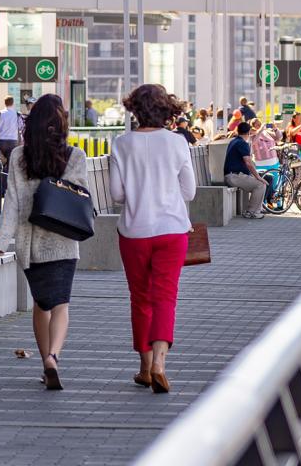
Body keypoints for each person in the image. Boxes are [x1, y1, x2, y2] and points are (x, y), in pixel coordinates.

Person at [0, 94, 87, 391]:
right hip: (63, 240)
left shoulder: (20, 156)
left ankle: (45, 360)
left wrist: (1, 241)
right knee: (61, 304)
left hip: (30, 246)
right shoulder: (75, 156)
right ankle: (54, 358)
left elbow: (13, 204)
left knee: (41, 304)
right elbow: (78, 195)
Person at [109, 84, 196, 394]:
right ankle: (160, 363)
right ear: (166, 110)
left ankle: (145, 368)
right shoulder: (177, 143)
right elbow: (189, 191)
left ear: (135, 110)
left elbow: (117, 194)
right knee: (165, 296)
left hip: (134, 231)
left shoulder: (121, 144)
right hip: (172, 230)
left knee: (140, 298)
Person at [223, 122, 266, 219]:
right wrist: (258, 177)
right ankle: (252, 212)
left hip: (231, 176)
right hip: (234, 176)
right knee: (261, 184)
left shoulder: (234, 141)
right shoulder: (243, 143)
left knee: (258, 183)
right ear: (249, 132)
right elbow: (248, 162)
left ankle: (256, 209)